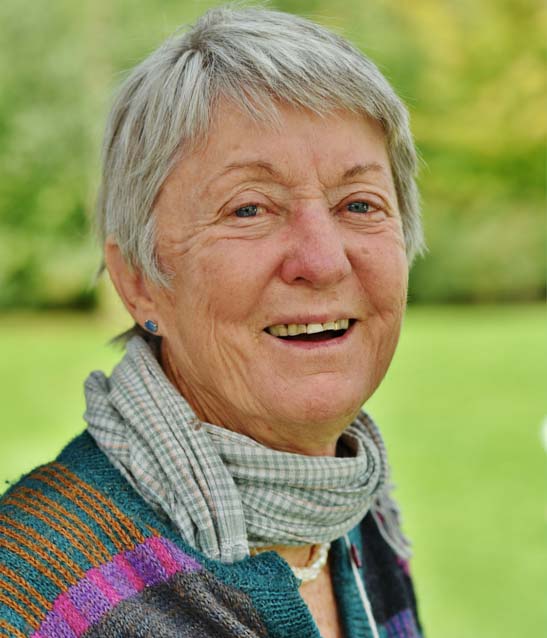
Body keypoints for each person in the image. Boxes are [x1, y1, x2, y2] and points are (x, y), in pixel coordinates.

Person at [0, 6, 425, 637]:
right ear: (139, 280)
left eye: (359, 204)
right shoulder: (30, 594)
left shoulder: (360, 516)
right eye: (249, 208)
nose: (323, 260)